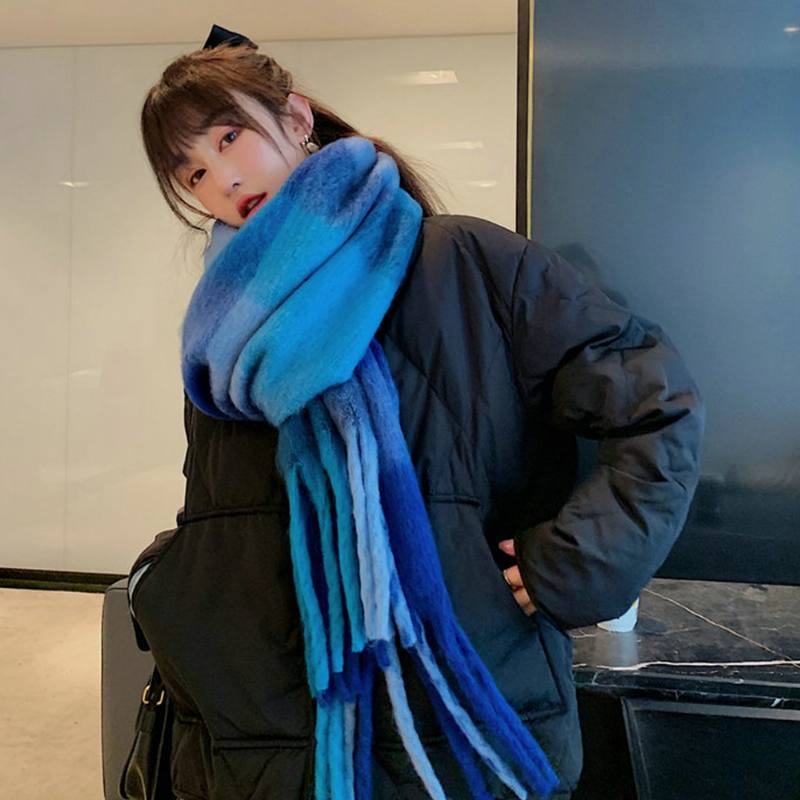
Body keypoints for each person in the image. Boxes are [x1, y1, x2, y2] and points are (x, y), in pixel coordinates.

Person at [127, 24, 704, 800]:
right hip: (259, 734)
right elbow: (220, 506)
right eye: (193, 171)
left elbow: (654, 400)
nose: (223, 178)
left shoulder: (465, 262)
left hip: (454, 720)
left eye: (230, 137)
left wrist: (577, 565)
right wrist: (165, 583)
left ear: (296, 117)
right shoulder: (220, 332)